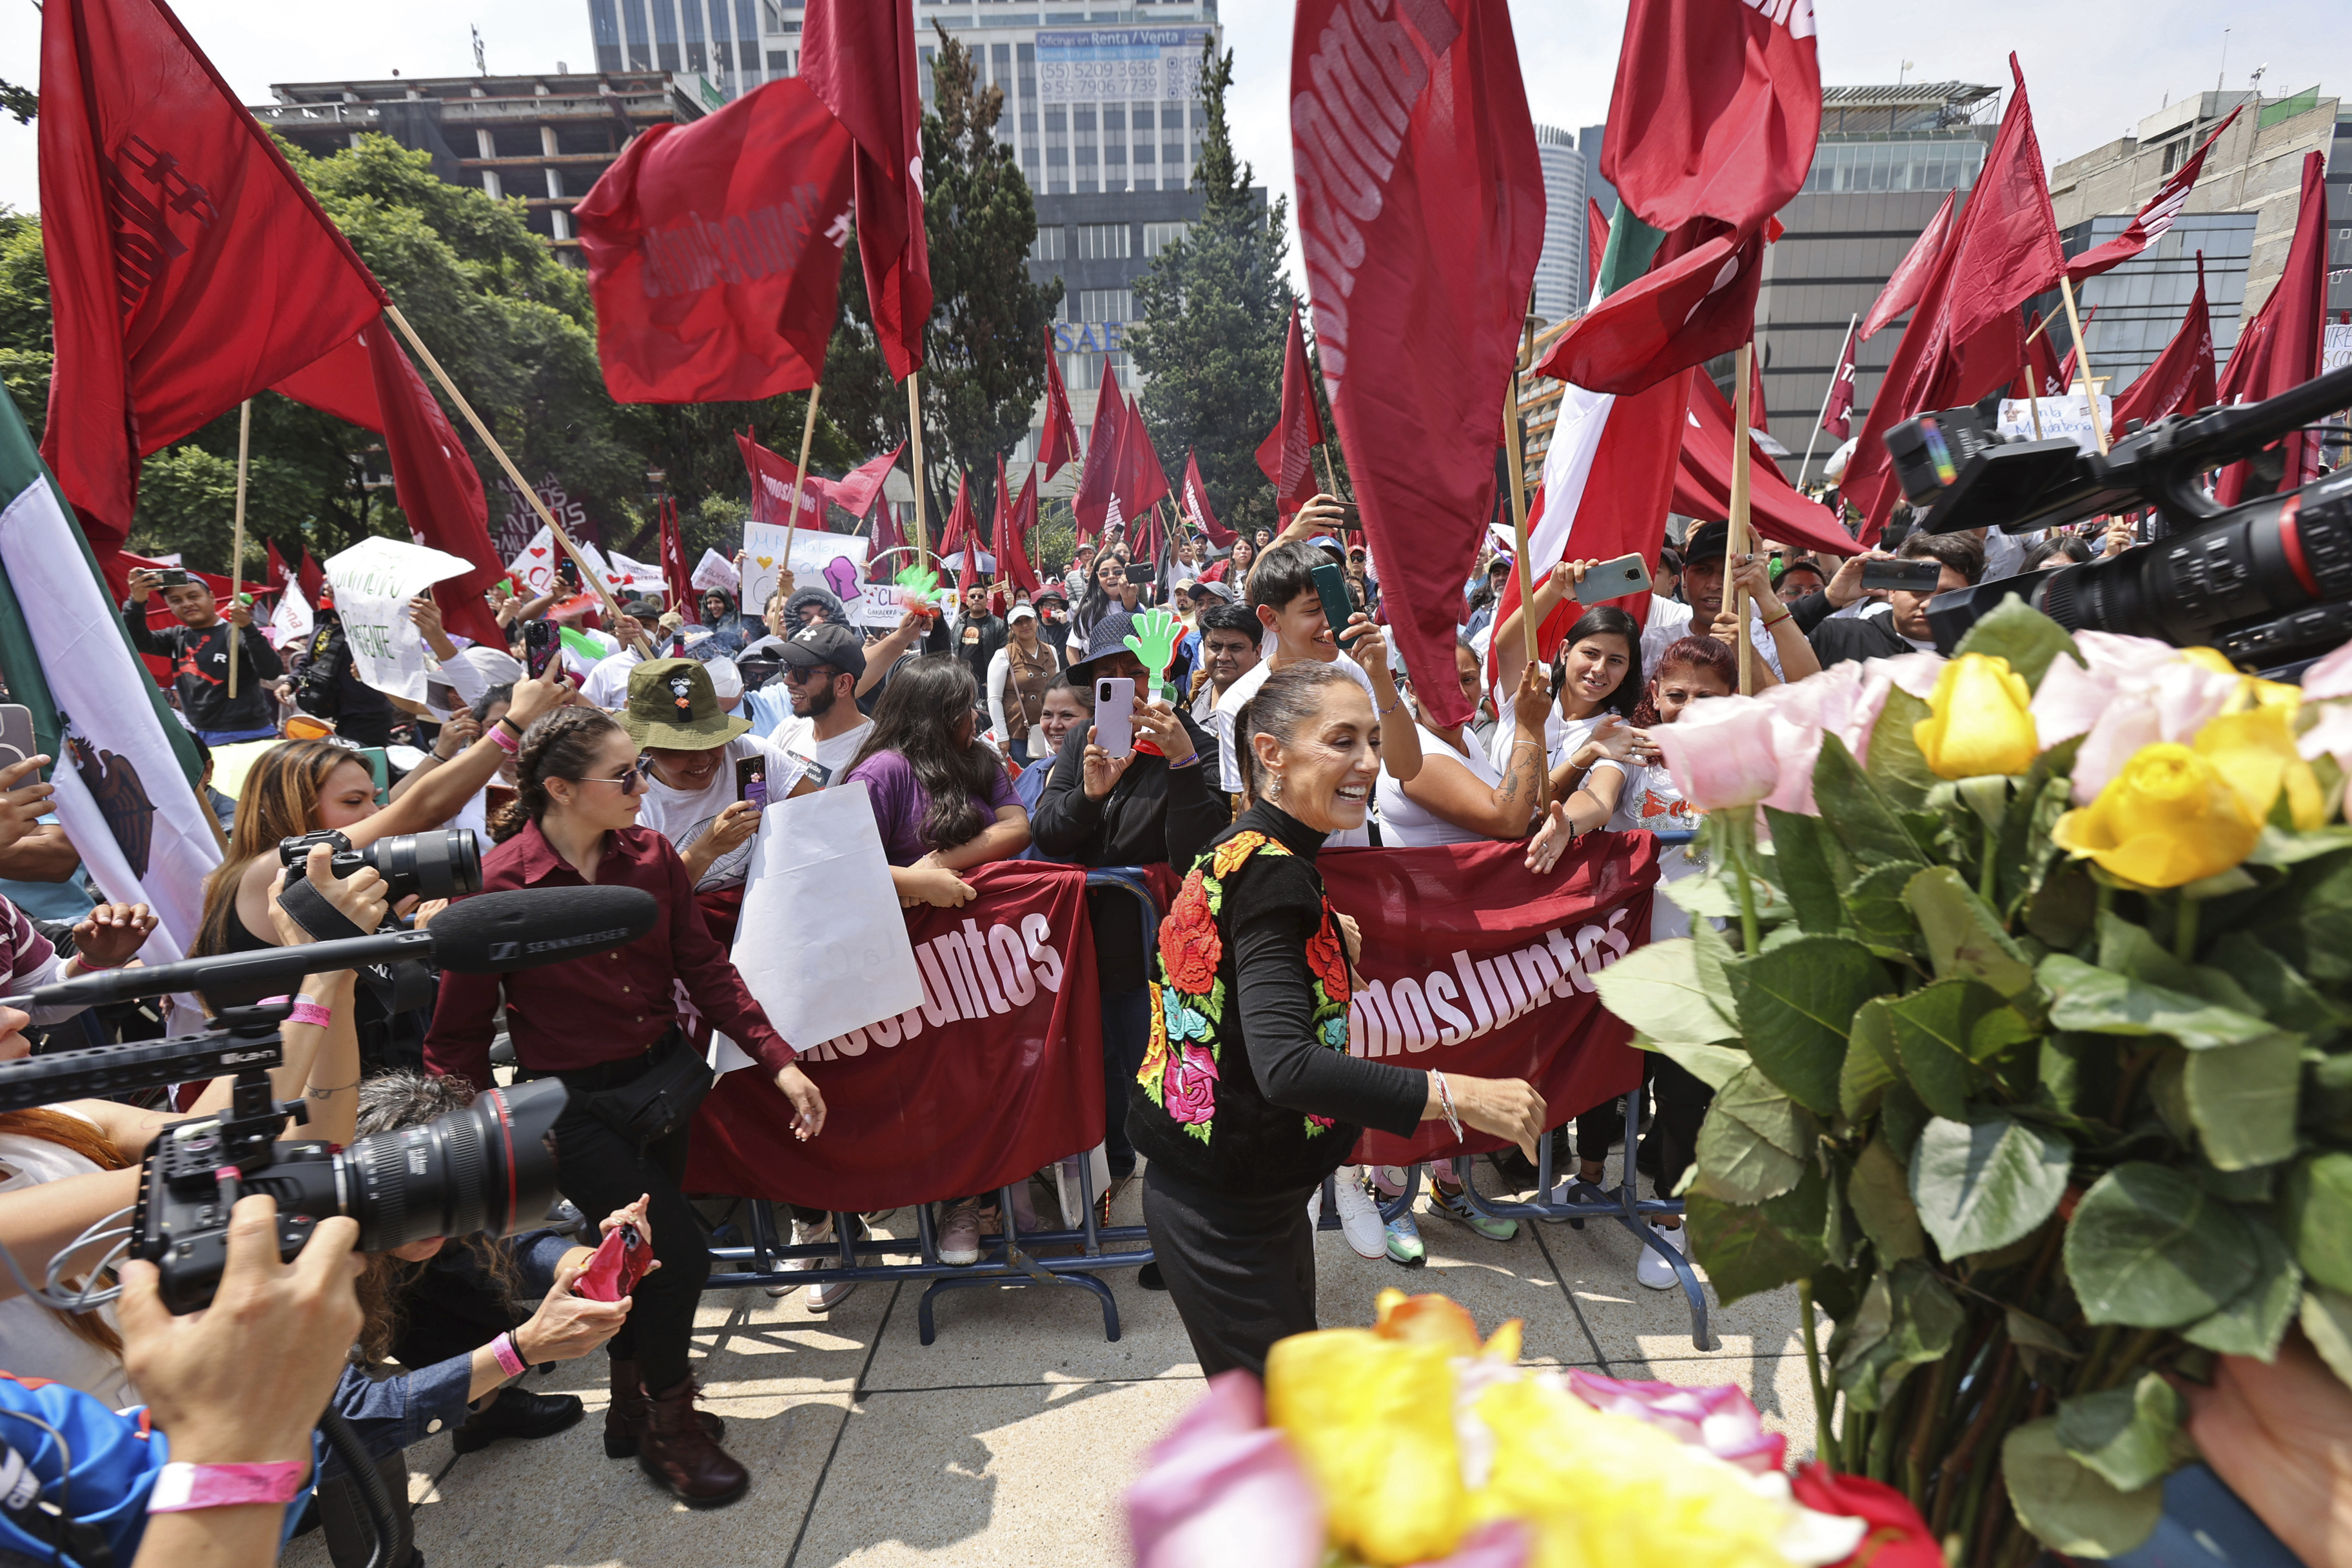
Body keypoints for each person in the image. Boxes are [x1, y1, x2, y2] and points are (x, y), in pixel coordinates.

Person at [424, 704, 828, 1507]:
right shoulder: (501, 883)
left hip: (663, 1087)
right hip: (569, 1108)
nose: (643, 788)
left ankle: (627, 1408)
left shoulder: (652, 859)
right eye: (626, 774)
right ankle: (670, 1426)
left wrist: (779, 1060)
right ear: (562, 790)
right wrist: (479, 1145)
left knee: (645, 1259)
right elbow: (455, 1035)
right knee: (678, 1256)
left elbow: (705, 968)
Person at [1131, 661, 1547, 1378]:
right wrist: (1460, 1095)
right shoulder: (1273, 871)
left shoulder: (1256, 852)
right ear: (1270, 754)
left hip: (1242, 1188)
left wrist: (1319, 926)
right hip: (1223, 1205)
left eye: (1375, 742)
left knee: (1287, 1417)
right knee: (1283, 1432)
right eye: (1343, 740)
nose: (1367, 763)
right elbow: (1286, 1065)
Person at [314, 1073, 643, 1564]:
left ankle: (482, 1411)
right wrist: (520, 1348)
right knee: (359, 1453)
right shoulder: (297, 1265)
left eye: (461, 1197)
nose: (449, 1219)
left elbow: (495, 1242)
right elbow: (352, 1423)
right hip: (199, 1441)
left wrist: (586, 1265)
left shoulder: (399, 1208)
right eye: (431, 1202)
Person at [1365, 643, 1560, 1263]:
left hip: (1464, 945)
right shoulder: (1413, 754)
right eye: (1439, 679)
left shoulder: (1469, 739)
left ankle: (1452, 1186)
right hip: (1414, 946)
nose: (1460, 690)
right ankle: (1389, 1197)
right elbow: (1507, 819)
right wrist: (1530, 725)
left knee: (1462, 1062)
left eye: (1470, 678)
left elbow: (1529, 808)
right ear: (1411, 688)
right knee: (1411, 1066)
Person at [1032, 611, 1226, 1229]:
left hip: (1162, 953)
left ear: (1162, 670)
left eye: (1134, 671)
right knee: (1103, 1073)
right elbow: (1050, 832)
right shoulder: (1082, 740)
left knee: (1171, 1084)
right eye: (1108, 675)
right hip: (1089, 946)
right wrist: (1089, 794)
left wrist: (1182, 762)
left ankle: (1179, 1221)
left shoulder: (1198, 742)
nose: (1124, 686)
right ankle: (1111, 1179)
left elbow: (1200, 850)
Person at [1554, 634, 1736, 1286]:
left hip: (1700, 969)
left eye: (1705, 698)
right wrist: (1567, 821)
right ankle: (1594, 1176)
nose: (1687, 708)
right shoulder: (1630, 752)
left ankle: (1670, 1220)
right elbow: (1597, 800)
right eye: (1677, 694)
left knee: (1685, 1099)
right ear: (1654, 695)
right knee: (1607, 1077)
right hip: (1624, 959)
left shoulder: (1744, 762)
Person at [841, 658, 1031, 1267]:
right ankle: (947, 1201)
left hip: (981, 970)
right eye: (965, 707)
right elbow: (838, 868)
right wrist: (909, 884)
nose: (975, 717)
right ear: (937, 714)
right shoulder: (880, 773)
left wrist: (943, 866)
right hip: (907, 968)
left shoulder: (980, 758)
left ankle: (979, 1205)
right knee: (933, 1093)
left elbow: (1017, 826)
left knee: (984, 1083)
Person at [1212, 518, 1423, 834]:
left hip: (1357, 864)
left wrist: (1379, 677)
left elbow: (1406, 768)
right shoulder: (1240, 702)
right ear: (1271, 619)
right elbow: (1250, 807)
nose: (1330, 625)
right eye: (1312, 611)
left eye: (1333, 606)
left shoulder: (1355, 672)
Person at [619, 658, 809, 943]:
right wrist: (707, 850)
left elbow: (819, 821)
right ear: (647, 747)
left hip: (780, 924)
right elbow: (646, 906)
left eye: (712, 739)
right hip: (697, 945)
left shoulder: (750, 754)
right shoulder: (635, 804)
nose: (702, 758)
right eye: (680, 748)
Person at [121, 567, 282, 745]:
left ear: (211, 598)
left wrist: (249, 628)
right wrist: (136, 602)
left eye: (193, 596)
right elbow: (133, 639)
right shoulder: (176, 638)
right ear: (170, 607)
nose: (187, 604)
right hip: (197, 737)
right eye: (176, 600)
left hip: (249, 736)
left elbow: (271, 671)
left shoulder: (237, 634)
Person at [1791, 531, 1984, 666]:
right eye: (1919, 590)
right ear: (1893, 591)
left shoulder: (1986, 657)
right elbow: (1766, 635)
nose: (1928, 604)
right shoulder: (1837, 637)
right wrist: (1829, 598)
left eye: (1948, 595)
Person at [988, 602, 1064, 766]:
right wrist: (1002, 737)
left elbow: (1058, 689)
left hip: (1052, 730)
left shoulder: (1050, 650)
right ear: (1011, 628)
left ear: (1036, 622)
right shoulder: (1004, 655)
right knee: (1025, 784)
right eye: (1018, 622)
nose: (1024, 625)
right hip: (1019, 734)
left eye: (1028, 619)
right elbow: (994, 699)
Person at [1012, 675, 1092, 820]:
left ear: (1094, 718)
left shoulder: (1100, 783)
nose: (1055, 725)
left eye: (1067, 715)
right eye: (1047, 715)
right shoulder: (1033, 771)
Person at [1188, 601, 1262, 725]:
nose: (1223, 657)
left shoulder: (1267, 707)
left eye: (1236, 648)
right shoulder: (1196, 689)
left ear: (1257, 653)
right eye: (1215, 647)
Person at [951, 583, 1008, 698]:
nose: (976, 599)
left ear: (986, 600)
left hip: (985, 686)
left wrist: (991, 682)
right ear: (967, 600)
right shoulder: (957, 623)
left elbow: (1004, 656)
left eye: (981, 596)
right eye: (972, 597)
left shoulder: (998, 625)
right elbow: (951, 651)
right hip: (960, 683)